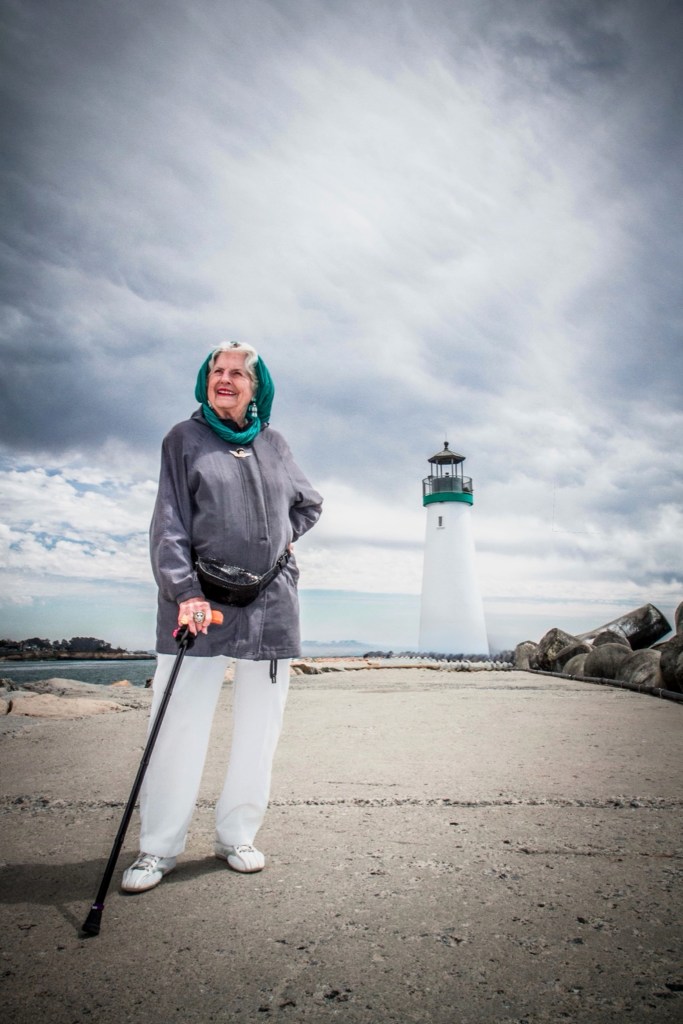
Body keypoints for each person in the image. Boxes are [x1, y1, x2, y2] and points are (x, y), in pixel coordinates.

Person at [121, 341, 323, 892]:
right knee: (179, 723)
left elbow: (309, 503)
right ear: (205, 381)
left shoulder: (275, 444)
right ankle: (158, 849)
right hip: (199, 604)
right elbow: (169, 522)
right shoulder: (183, 440)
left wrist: (275, 544)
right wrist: (184, 589)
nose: (225, 379)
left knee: (261, 728)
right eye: (217, 371)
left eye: (238, 373)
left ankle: (237, 835)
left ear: (257, 388)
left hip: (271, 603)